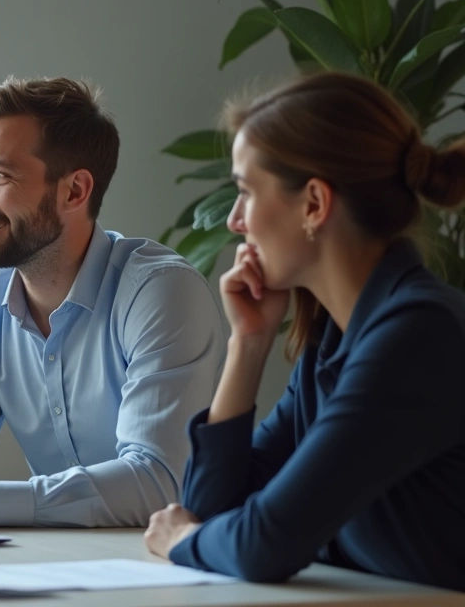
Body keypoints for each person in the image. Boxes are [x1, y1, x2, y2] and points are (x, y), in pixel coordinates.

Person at [143, 72, 465, 591]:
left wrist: (182, 539)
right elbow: (213, 510)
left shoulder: (419, 334)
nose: (235, 221)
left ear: (314, 204)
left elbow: (262, 543)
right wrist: (248, 344)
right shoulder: (334, 341)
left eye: (246, 191)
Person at [0, 76, 225, 529]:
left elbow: (158, 481)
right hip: (56, 555)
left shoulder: (161, 292)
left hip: (179, 556)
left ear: (74, 191)